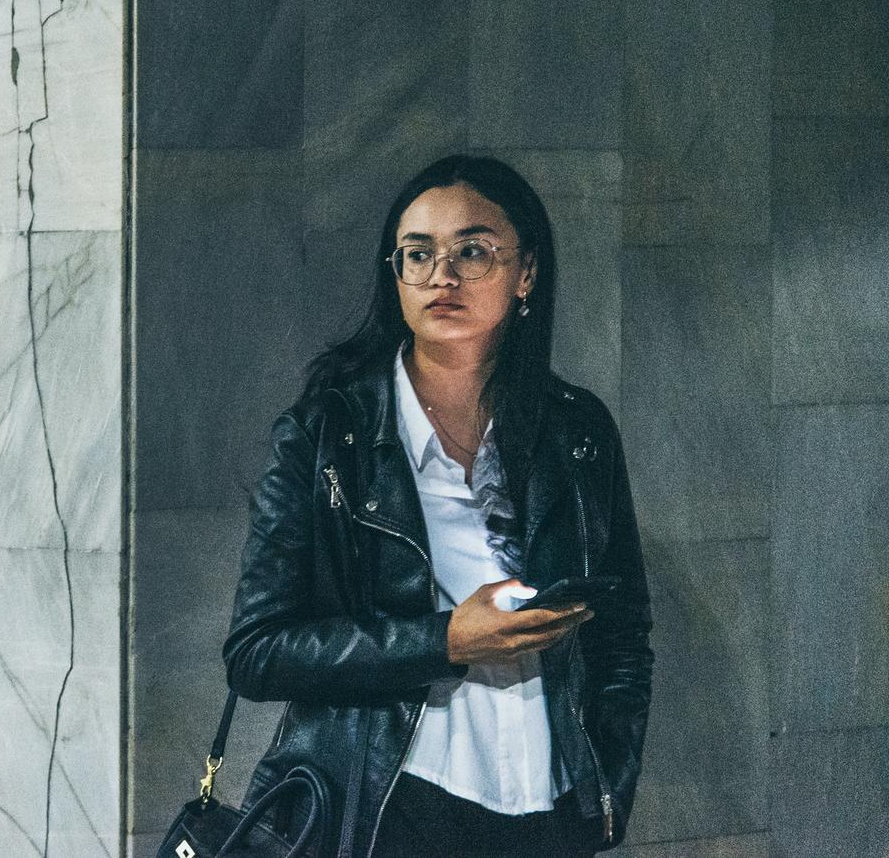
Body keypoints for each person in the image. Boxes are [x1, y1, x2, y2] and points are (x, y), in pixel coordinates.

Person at [221, 154, 653, 857]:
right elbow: (258, 652)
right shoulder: (329, 434)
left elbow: (623, 634)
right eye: (417, 254)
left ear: (526, 274)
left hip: (548, 818)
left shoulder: (577, 432)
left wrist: (606, 792)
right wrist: (445, 641)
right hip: (391, 811)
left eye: (473, 251)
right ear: (396, 275)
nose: (441, 277)